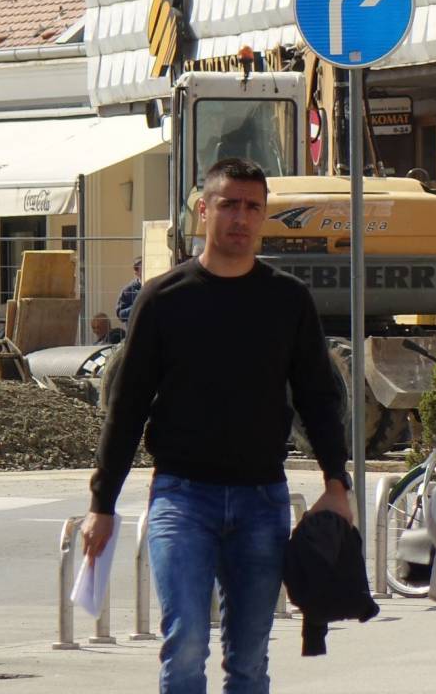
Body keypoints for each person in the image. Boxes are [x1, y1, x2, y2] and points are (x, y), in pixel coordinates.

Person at [80, 158, 353, 694]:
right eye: (229, 204)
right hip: (182, 499)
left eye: (253, 207)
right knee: (185, 644)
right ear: (203, 210)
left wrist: (336, 482)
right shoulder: (163, 299)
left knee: (248, 659)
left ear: (264, 215)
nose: (241, 217)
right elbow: (127, 407)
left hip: (262, 501)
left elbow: (318, 399)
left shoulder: (288, 300)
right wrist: (101, 504)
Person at [115, 257, 142, 326]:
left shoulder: (154, 287)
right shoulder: (128, 290)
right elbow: (120, 315)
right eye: (142, 269)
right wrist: (137, 307)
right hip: (136, 330)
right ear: (136, 272)